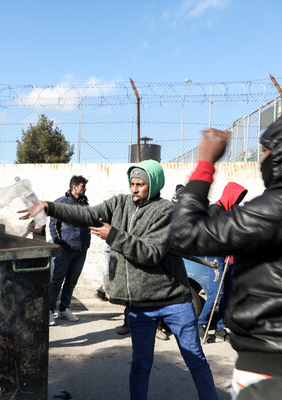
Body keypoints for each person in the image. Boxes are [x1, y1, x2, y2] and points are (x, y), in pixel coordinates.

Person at [20, 159, 218, 400]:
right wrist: (48, 207)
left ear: (153, 185)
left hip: (174, 301)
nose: (135, 189)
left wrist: (113, 235)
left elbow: (150, 253)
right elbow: (86, 215)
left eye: (141, 184)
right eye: (132, 183)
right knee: (140, 366)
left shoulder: (165, 211)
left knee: (195, 360)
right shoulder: (119, 204)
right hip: (141, 307)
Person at [170, 123, 282, 400]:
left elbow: (184, 234)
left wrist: (205, 165)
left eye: (266, 150)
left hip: (268, 362)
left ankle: (209, 325)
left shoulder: (272, 209)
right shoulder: (244, 212)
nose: (261, 159)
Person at [196, 182, 247, 344]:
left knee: (228, 293)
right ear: (230, 195)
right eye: (237, 198)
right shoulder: (214, 211)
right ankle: (201, 324)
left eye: (240, 199)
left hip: (230, 259)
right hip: (216, 259)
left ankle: (220, 327)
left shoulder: (231, 212)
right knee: (216, 294)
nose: (238, 202)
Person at [48, 175, 90, 326]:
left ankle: (64, 309)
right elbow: (53, 224)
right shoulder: (61, 203)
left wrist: (87, 243)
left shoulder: (85, 204)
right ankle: (49, 311)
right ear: (74, 187)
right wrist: (57, 242)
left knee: (71, 281)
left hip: (81, 250)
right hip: (65, 250)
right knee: (56, 280)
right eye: (82, 186)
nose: (84, 189)